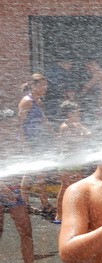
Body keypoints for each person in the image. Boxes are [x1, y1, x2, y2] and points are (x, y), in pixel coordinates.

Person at [0, 109, 49, 263]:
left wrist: (24, 186)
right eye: (11, 124)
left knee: (26, 231)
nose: (15, 127)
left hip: (15, 191)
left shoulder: (19, 140)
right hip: (2, 188)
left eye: (16, 124)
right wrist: (5, 190)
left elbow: (28, 165)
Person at [18, 73, 55, 218]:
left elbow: (43, 119)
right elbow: (19, 124)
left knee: (38, 173)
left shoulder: (38, 101)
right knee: (34, 173)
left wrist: (53, 134)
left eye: (46, 85)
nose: (45, 87)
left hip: (39, 142)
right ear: (34, 85)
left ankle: (31, 204)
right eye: (42, 85)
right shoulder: (26, 101)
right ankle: (40, 204)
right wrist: (25, 144)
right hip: (30, 142)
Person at [55, 101, 91, 224]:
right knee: (65, 187)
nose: (79, 113)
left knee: (76, 186)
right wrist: (83, 136)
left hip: (76, 160)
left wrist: (82, 132)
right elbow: (72, 142)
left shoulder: (76, 124)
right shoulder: (65, 127)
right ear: (69, 114)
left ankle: (73, 212)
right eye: (76, 112)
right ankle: (59, 214)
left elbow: (89, 133)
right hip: (67, 160)